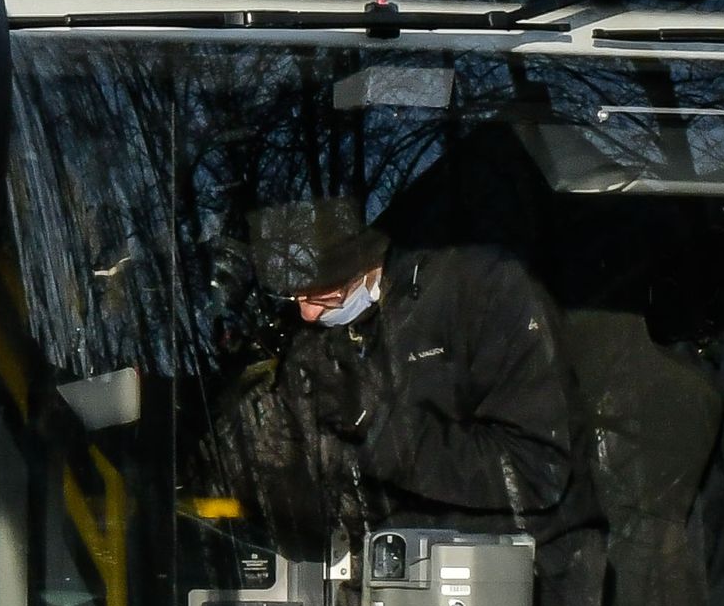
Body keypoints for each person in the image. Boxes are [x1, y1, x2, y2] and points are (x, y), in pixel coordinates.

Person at [196, 195, 584, 575]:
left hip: (494, 582)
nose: (308, 312)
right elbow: (304, 517)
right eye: (295, 296)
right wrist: (261, 455)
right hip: (366, 584)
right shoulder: (311, 346)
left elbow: (536, 471)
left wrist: (381, 432)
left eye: (325, 293)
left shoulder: (476, 295)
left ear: (367, 263)